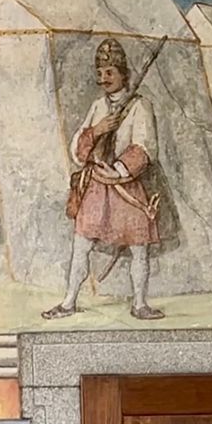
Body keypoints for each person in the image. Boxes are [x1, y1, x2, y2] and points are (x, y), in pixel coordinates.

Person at [43, 38, 164, 321]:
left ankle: (140, 304)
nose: (103, 78)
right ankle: (69, 302)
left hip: (127, 188)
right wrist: (98, 130)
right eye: (99, 73)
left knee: (139, 248)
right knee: (81, 245)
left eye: (109, 72)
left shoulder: (140, 106)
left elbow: (145, 146)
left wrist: (119, 170)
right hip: (96, 187)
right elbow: (78, 150)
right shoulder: (98, 106)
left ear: (123, 74)